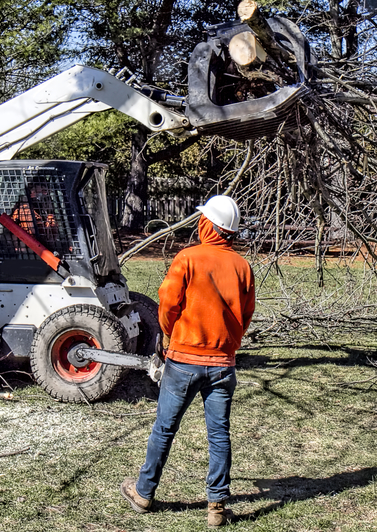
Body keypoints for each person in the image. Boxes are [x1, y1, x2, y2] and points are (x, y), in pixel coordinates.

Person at [121, 195, 255, 527]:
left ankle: (143, 492)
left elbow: (167, 305)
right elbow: (246, 314)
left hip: (183, 360)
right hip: (223, 364)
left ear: (208, 225)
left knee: (165, 428)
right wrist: (228, 346)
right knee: (219, 433)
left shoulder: (188, 258)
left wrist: (167, 336)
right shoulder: (242, 266)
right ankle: (217, 506)